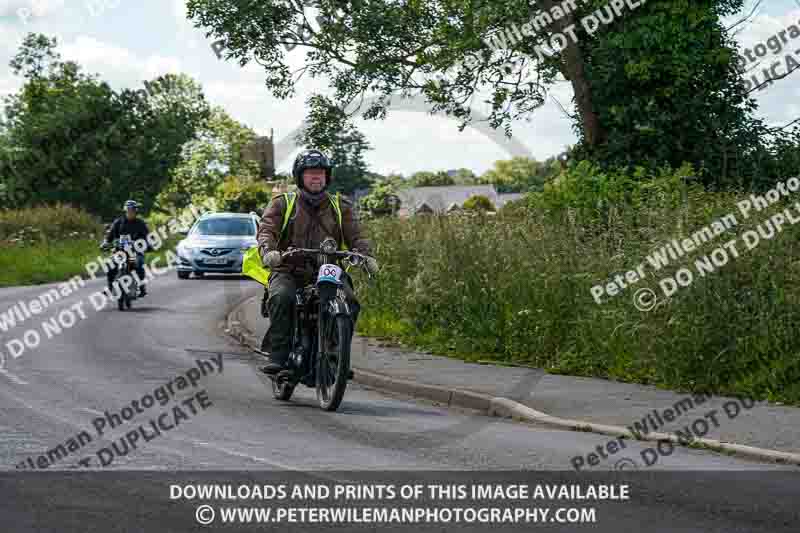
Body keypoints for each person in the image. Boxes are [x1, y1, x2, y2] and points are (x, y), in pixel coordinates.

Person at [256, 149, 378, 375]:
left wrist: (366, 255)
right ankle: (279, 355)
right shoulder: (283, 203)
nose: (316, 177)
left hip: (328, 269)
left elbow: (357, 236)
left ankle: (337, 356)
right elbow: (266, 231)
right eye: (311, 173)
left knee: (349, 301)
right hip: (289, 269)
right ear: (300, 176)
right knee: (282, 296)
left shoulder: (341, 206)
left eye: (321, 173)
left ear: (327, 177)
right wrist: (269, 252)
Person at [102, 200, 150, 296]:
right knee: (110, 265)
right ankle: (110, 287)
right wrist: (105, 243)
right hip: (119, 251)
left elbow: (147, 237)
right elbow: (110, 236)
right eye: (128, 210)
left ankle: (141, 287)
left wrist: (147, 245)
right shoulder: (118, 222)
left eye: (132, 210)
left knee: (139, 265)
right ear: (125, 211)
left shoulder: (140, 223)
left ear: (136, 211)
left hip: (135, 252)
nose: (130, 212)